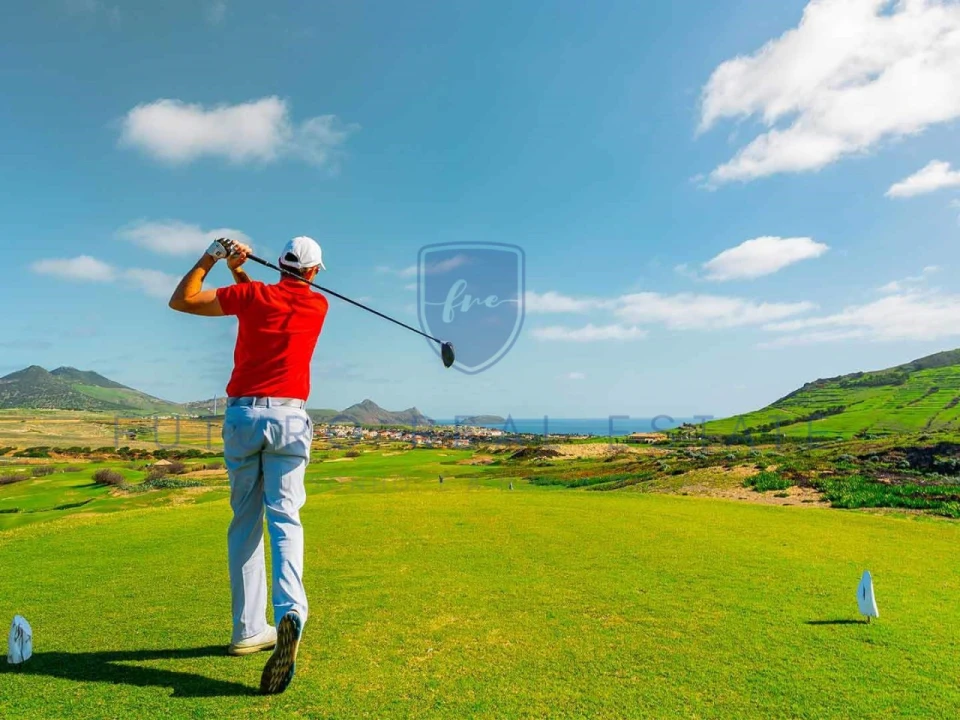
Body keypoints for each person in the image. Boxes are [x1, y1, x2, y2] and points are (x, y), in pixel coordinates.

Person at [168, 235, 329, 695]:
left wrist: (216, 257)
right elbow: (269, 301)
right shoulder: (318, 307)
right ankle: (290, 612)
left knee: (245, 521)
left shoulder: (253, 296)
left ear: (278, 263)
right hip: (291, 419)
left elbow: (183, 301)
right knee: (286, 519)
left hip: (244, 416)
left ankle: (246, 631)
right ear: (315, 273)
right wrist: (241, 270)